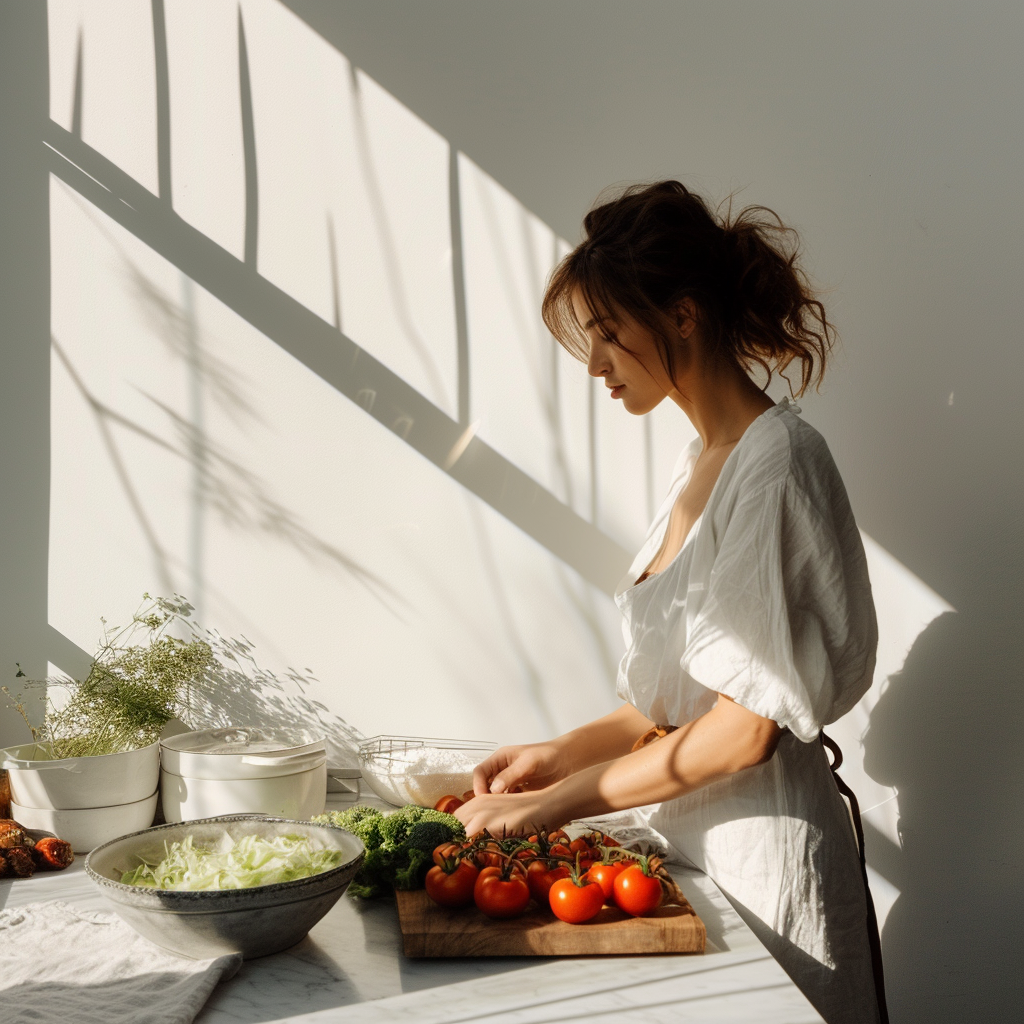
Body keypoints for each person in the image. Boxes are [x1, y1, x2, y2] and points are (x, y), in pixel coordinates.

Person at [453, 180, 887, 1024]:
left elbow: (741, 729)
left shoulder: (779, 462)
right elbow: (677, 700)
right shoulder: (700, 464)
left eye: (609, 333)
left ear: (683, 316)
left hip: (766, 868)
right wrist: (560, 753)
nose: (595, 364)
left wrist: (546, 808)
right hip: (688, 860)